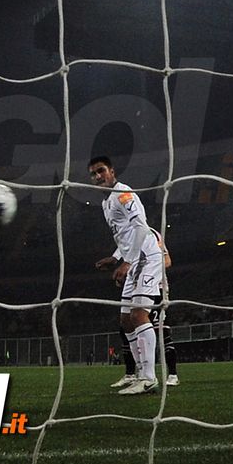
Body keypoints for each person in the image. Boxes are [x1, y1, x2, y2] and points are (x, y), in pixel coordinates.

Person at [90, 156, 165, 395]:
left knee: (139, 314)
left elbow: (141, 227)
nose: (97, 177)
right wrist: (115, 257)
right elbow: (126, 234)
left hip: (147, 257)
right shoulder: (106, 203)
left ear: (112, 171)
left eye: (101, 171)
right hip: (133, 259)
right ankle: (139, 375)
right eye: (93, 174)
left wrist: (128, 261)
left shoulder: (124, 194)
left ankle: (149, 377)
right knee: (125, 320)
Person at [109, 227, 179, 388]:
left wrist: (148, 270)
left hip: (157, 289)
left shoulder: (151, 235)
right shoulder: (129, 237)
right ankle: (132, 374)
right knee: (126, 327)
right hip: (138, 286)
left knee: (162, 331)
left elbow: (166, 261)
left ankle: (172, 374)